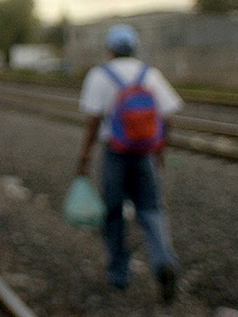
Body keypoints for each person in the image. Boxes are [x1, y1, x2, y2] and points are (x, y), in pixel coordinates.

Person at [76, 24, 182, 303]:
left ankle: (119, 274)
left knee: (113, 213)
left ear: (110, 49)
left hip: (115, 153)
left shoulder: (100, 75)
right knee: (151, 209)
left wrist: (84, 157)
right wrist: (159, 151)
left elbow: (93, 121)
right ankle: (163, 262)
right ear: (134, 46)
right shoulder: (150, 74)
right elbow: (168, 117)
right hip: (145, 153)